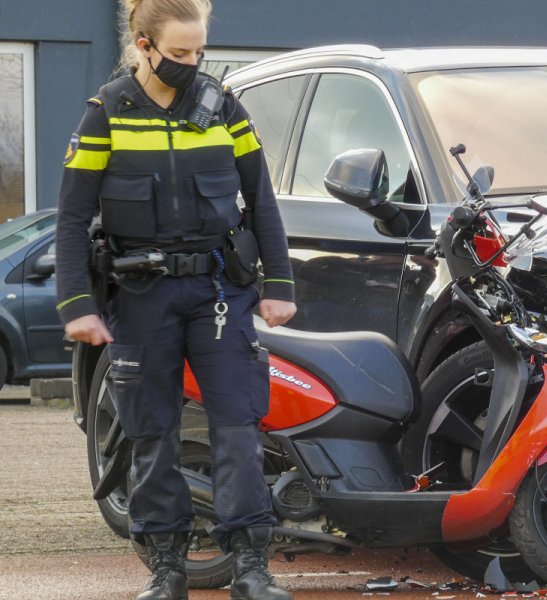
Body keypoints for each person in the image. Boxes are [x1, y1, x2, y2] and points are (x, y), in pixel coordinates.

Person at [55, 1, 296, 598]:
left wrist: (279, 286)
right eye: (179, 53)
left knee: (237, 426)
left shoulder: (224, 110)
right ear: (144, 45)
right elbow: (71, 218)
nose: (191, 64)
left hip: (218, 291)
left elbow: (261, 201)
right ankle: (166, 570)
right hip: (139, 297)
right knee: (151, 431)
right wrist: (76, 306)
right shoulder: (105, 114)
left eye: (198, 53)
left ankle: (250, 568)